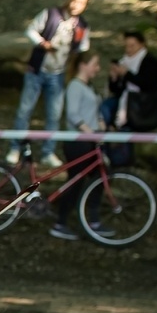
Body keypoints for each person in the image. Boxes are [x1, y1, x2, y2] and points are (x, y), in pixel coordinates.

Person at [8, 0, 91, 169]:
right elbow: (30, 31)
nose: (76, 5)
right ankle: (15, 148)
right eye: (74, 0)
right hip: (36, 71)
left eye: (81, 3)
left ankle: (48, 152)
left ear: (85, 5)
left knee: (54, 115)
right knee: (24, 110)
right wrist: (43, 44)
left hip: (58, 74)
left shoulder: (82, 26)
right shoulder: (51, 14)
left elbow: (82, 50)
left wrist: (74, 72)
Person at [50, 51, 105, 242]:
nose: (97, 69)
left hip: (89, 140)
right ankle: (61, 222)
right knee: (76, 181)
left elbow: (93, 112)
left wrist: (100, 126)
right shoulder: (75, 86)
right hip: (79, 142)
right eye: (95, 64)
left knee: (99, 176)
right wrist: (89, 131)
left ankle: (94, 220)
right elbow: (73, 114)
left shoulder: (88, 87)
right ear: (83, 65)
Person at [102, 30, 157, 167]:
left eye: (132, 46)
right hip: (125, 100)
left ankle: (122, 160)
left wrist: (127, 74)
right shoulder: (124, 61)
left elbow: (148, 85)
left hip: (141, 104)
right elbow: (117, 90)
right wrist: (114, 78)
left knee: (125, 124)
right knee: (105, 108)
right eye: (126, 46)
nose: (129, 49)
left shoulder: (150, 62)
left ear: (142, 45)